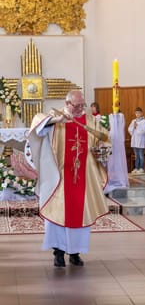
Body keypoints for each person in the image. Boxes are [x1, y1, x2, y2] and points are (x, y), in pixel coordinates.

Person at [28, 90, 110, 267]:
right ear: (67, 104)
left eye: (83, 105)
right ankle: (57, 253)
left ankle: (75, 253)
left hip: (82, 178)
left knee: (81, 215)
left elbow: (104, 140)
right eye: (77, 106)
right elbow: (36, 126)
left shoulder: (90, 122)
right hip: (60, 178)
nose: (81, 109)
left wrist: (102, 148)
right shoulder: (55, 118)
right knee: (57, 214)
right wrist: (57, 120)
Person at [104, 111, 129, 195]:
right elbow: (108, 127)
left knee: (119, 160)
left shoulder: (121, 116)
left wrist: (116, 118)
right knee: (111, 160)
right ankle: (111, 178)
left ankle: (120, 178)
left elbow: (121, 127)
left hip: (118, 141)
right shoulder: (110, 116)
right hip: (111, 139)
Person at [128, 107, 145, 174]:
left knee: (141, 155)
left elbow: (144, 130)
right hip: (135, 140)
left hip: (141, 141)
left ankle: (141, 168)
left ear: (141, 113)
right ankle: (136, 168)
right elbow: (129, 129)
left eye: (139, 113)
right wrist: (134, 127)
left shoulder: (144, 121)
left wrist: (137, 127)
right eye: (136, 113)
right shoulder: (133, 121)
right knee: (136, 155)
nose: (137, 114)